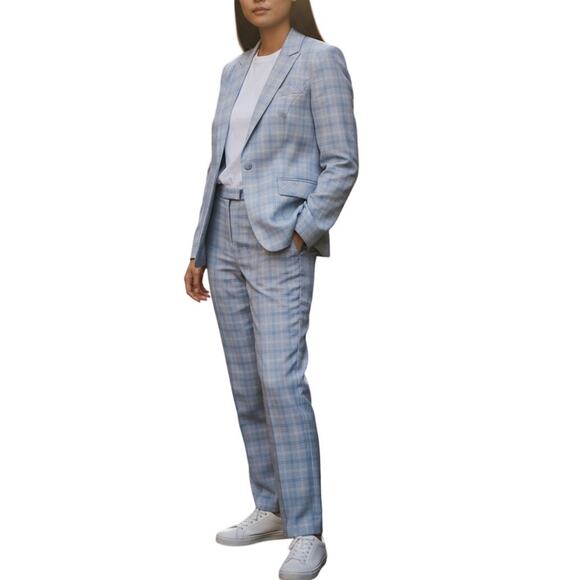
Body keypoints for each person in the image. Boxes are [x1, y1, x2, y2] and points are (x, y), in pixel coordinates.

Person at [184, 1, 358, 578]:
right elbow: (218, 165)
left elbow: (342, 162)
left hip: (279, 237)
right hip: (224, 235)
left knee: (282, 381)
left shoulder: (320, 61)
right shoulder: (233, 70)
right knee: (247, 382)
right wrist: (198, 248)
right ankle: (272, 506)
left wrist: (303, 231)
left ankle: (307, 530)